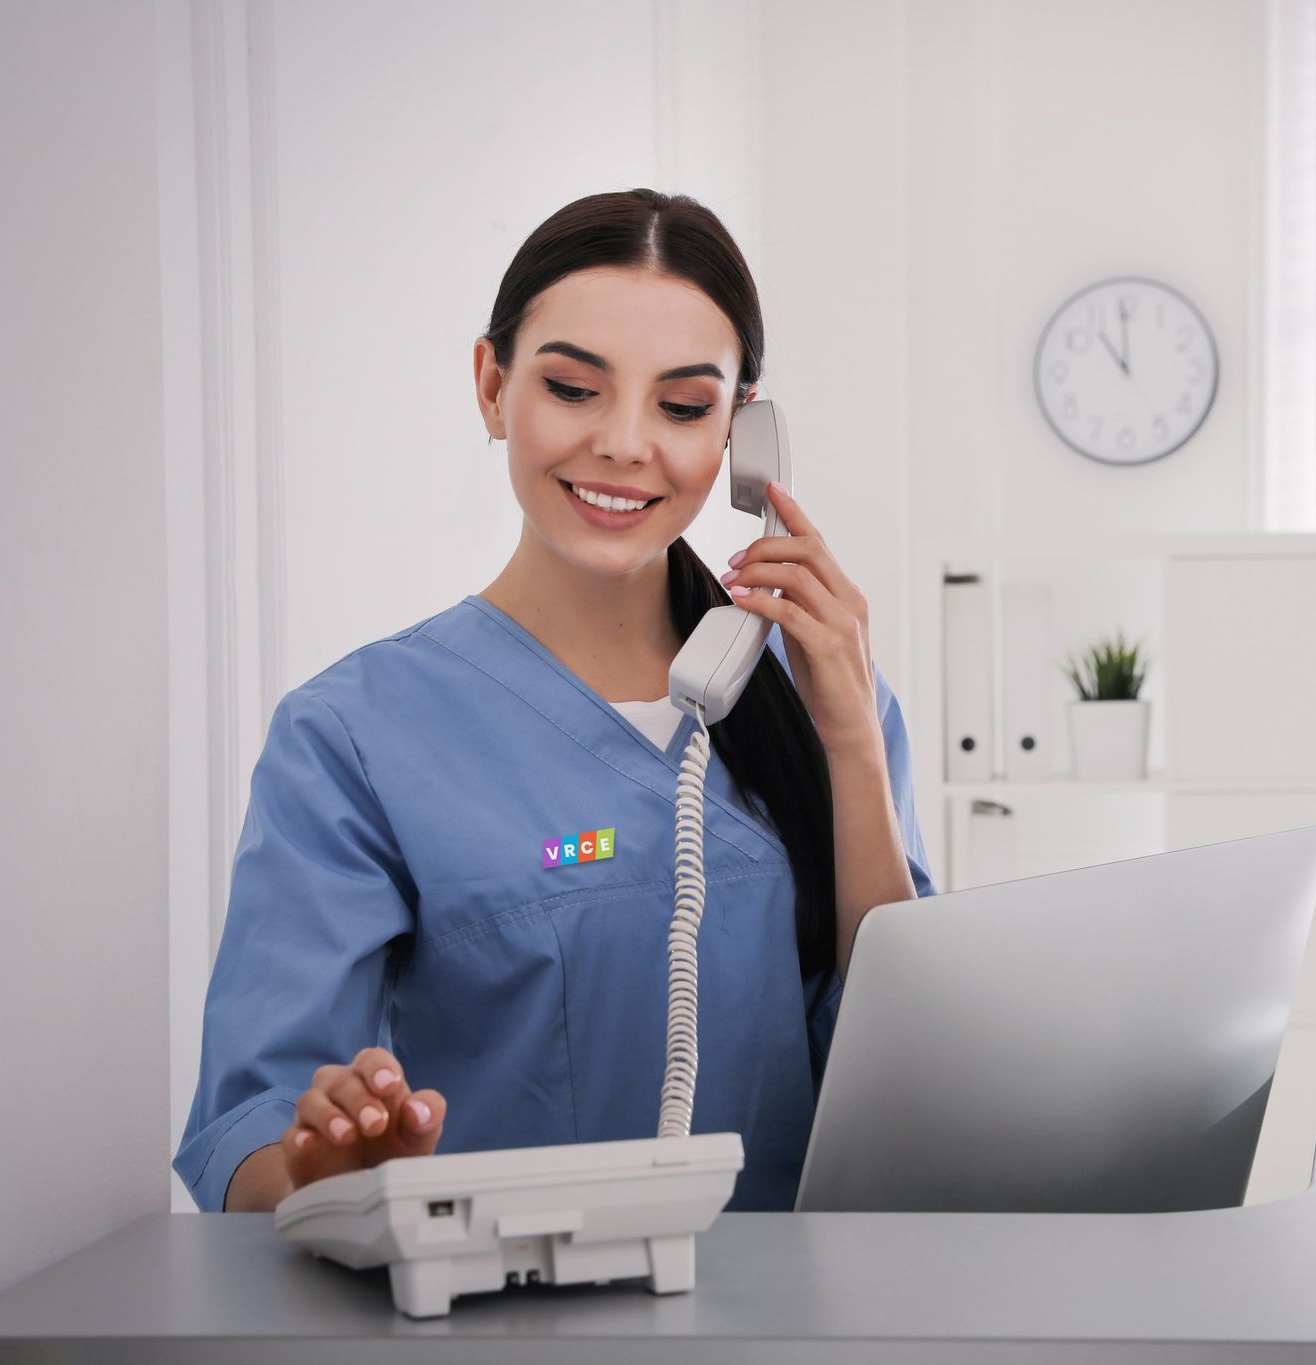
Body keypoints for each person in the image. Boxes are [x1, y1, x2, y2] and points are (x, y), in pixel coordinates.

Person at [173, 188, 937, 1216]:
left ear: (742, 434)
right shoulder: (352, 734)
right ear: (491, 387)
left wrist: (846, 737)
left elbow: (912, 1064)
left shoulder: (824, 694)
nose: (624, 444)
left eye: (680, 406)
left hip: (800, 1319)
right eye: (573, 389)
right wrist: (329, 1173)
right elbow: (250, 1128)